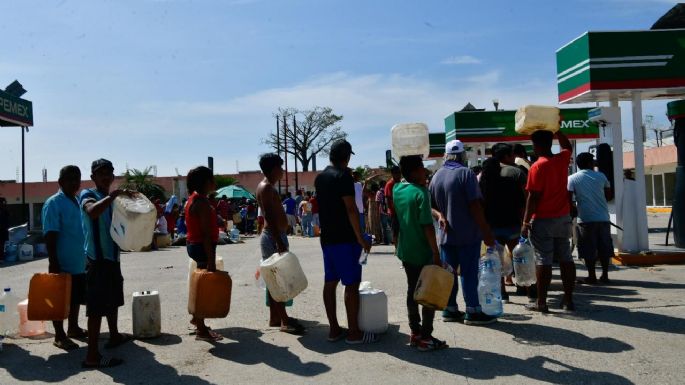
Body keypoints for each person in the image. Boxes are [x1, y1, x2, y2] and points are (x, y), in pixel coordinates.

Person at [429, 140, 497, 325]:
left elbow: (431, 207)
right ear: (462, 156)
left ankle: (450, 309)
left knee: (449, 273)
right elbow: (475, 206)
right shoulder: (465, 174)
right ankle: (473, 311)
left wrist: (440, 215)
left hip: (445, 236)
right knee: (468, 273)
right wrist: (486, 232)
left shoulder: (436, 176)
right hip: (467, 235)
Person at [315, 139, 374, 344]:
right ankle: (354, 333)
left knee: (330, 283)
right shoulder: (344, 177)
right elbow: (350, 209)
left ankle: (334, 329)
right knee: (351, 285)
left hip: (328, 238)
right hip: (346, 239)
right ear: (347, 156)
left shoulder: (320, 178)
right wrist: (361, 238)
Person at [80, 159, 134, 368]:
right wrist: (113, 196)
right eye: (100, 173)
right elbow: (92, 212)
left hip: (112, 257)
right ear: (93, 177)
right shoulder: (89, 195)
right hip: (96, 259)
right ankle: (92, 356)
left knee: (112, 299)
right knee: (96, 308)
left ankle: (114, 336)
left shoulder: (111, 199)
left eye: (109, 172)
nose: (105, 176)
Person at [394, 155, 448, 351]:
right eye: (422, 168)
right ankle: (426, 336)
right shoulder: (422, 192)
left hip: (406, 250)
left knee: (412, 290)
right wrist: (436, 253)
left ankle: (415, 332)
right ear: (415, 171)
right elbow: (427, 226)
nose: (425, 171)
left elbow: (417, 210)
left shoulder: (398, 189)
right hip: (422, 250)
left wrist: (437, 213)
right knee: (428, 293)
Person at [521, 130, 576, 313]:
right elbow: (568, 147)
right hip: (563, 218)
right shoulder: (562, 160)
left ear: (537, 146)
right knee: (566, 258)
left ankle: (541, 303)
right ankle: (568, 301)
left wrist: (525, 222)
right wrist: (558, 131)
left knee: (543, 259)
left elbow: (533, 197)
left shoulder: (538, 166)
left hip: (543, 220)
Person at [256, 153, 306, 334]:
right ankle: (284, 320)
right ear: (274, 169)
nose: (283, 171)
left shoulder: (267, 187)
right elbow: (268, 215)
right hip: (272, 236)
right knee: (276, 281)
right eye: (281, 167)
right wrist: (279, 241)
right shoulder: (267, 188)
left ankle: (275, 317)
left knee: (273, 279)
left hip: (275, 235)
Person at [41, 165, 88, 351]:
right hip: (62, 262)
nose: (74, 183)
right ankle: (59, 336)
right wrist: (54, 262)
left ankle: (73, 328)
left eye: (77, 178)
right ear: (60, 182)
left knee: (76, 297)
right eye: (70, 179)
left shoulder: (76, 201)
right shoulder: (53, 203)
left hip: (78, 262)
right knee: (59, 301)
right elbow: (50, 234)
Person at [479, 144, 533, 302]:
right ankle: (525, 288)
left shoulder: (483, 183)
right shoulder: (513, 177)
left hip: (493, 227)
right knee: (520, 258)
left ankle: (502, 293)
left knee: (497, 261)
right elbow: (522, 203)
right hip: (512, 225)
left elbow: (480, 206)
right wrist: (525, 222)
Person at [185, 166, 224, 342]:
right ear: (205, 182)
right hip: (202, 246)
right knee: (203, 287)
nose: (214, 182)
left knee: (200, 284)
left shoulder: (194, 199)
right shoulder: (200, 202)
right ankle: (201, 329)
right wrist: (211, 261)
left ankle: (196, 318)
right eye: (212, 179)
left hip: (195, 245)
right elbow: (207, 235)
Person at [568, 152, 614, 284]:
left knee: (588, 249)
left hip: (585, 219)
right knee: (604, 247)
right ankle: (605, 275)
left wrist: (574, 210)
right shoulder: (601, 176)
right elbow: (609, 196)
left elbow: (568, 199)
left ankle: (591, 276)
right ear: (590, 163)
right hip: (603, 218)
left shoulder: (572, 178)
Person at [384, 166, 401, 244]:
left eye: (399, 172)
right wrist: (392, 211)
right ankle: (396, 248)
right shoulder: (390, 184)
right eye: (397, 173)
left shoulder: (400, 182)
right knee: (395, 231)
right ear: (393, 174)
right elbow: (388, 199)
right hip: (394, 212)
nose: (399, 174)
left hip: (400, 211)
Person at [377, 180, 390, 245]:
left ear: (380, 185)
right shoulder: (388, 190)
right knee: (391, 226)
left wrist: (377, 212)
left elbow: (378, 202)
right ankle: (393, 240)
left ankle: (385, 241)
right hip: (389, 211)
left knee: (384, 227)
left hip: (382, 212)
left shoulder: (379, 192)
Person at [0, 197, 9, 262]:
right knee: (1, 245)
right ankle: (1, 258)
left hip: (2, 230)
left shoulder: (4, 210)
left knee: (1, 245)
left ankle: (1, 258)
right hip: (3, 230)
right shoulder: (4, 209)